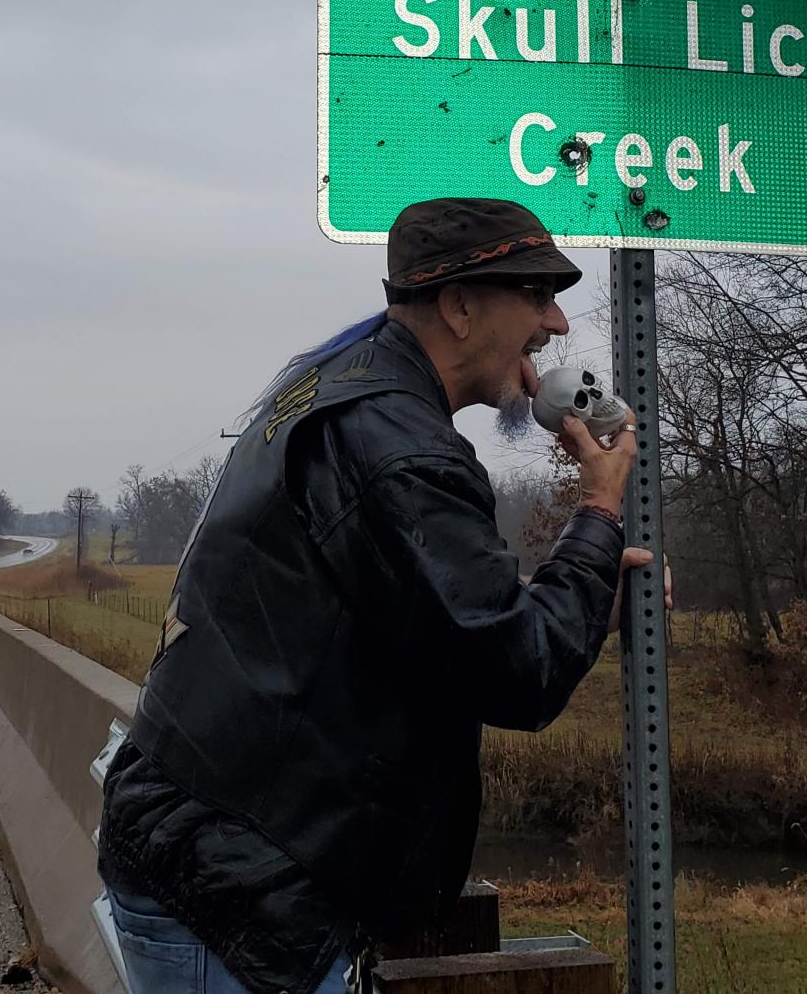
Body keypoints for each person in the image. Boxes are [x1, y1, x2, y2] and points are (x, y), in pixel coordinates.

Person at [98, 196, 671, 994]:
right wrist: (600, 509)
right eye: (536, 293)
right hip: (238, 893)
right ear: (459, 306)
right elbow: (516, 669)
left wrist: (582, 594)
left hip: (209, 857)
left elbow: (424, 615)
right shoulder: (398, 446)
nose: (557, 322)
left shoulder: (344, 390)